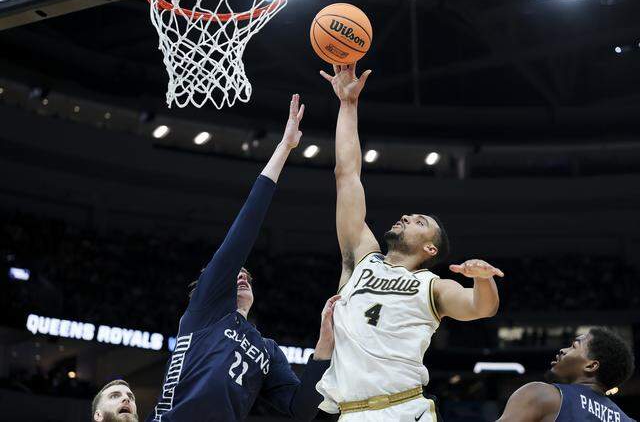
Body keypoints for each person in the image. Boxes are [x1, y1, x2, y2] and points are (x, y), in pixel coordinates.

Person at [315, 64, 505, 421]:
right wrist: (347, 105)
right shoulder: (361, 258)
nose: (405, 217)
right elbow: (347, 174)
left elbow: (481, 307)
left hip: (402, 409)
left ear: (430, 249)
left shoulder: (431, 287)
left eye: (420, 222)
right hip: (346, 413)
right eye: (409, 216)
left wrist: (482, 278)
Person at [148, 95, 339, 422]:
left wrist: (325, 342)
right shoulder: (207, 310)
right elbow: (242, 233)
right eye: (236, 274)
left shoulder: (267, 350)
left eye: (247, 277)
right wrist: (284, 148)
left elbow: (301, 409)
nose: (241, 277)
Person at [498, 327, 635, 421]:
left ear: (591, 365)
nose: (563, 350)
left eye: (574, 346)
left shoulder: (542, 395)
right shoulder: (626, 419)